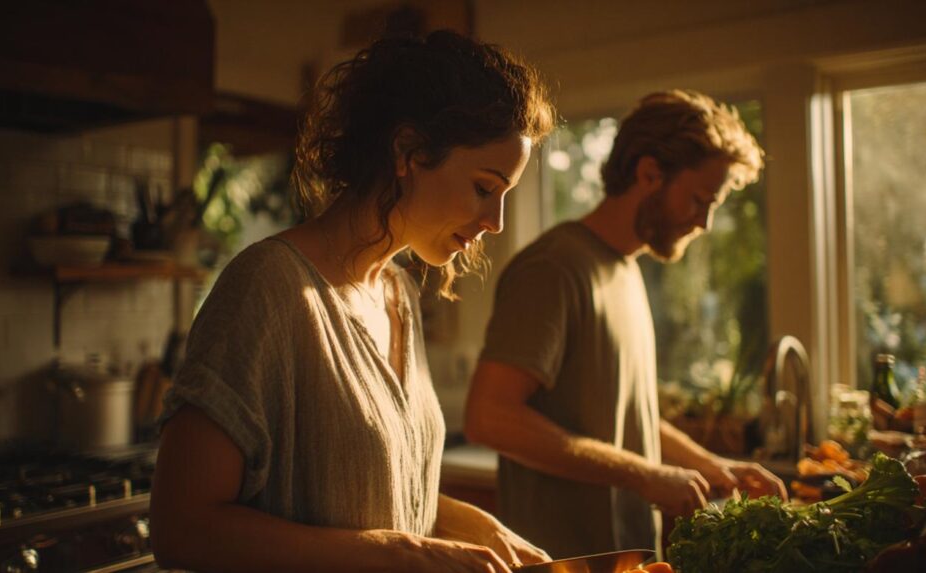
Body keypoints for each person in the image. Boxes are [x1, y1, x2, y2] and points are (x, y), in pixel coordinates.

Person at [150, 30, 556, 573]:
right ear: (408, 152)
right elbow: (182, 529)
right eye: (485, 188)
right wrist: (398, 553)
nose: (496, 223)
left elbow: (364, 492)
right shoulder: (269, 289)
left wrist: (462, 521)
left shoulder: (399, 296)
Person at [464, 89, 787, 559]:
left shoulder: (625, 270)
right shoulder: (554, 268)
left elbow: (623, 417)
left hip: (627, 559)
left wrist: (711, 465)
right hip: (561, 561)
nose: (705, 223)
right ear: (649, 173)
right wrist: (645, 474)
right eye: (699, 200)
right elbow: (490, 418)